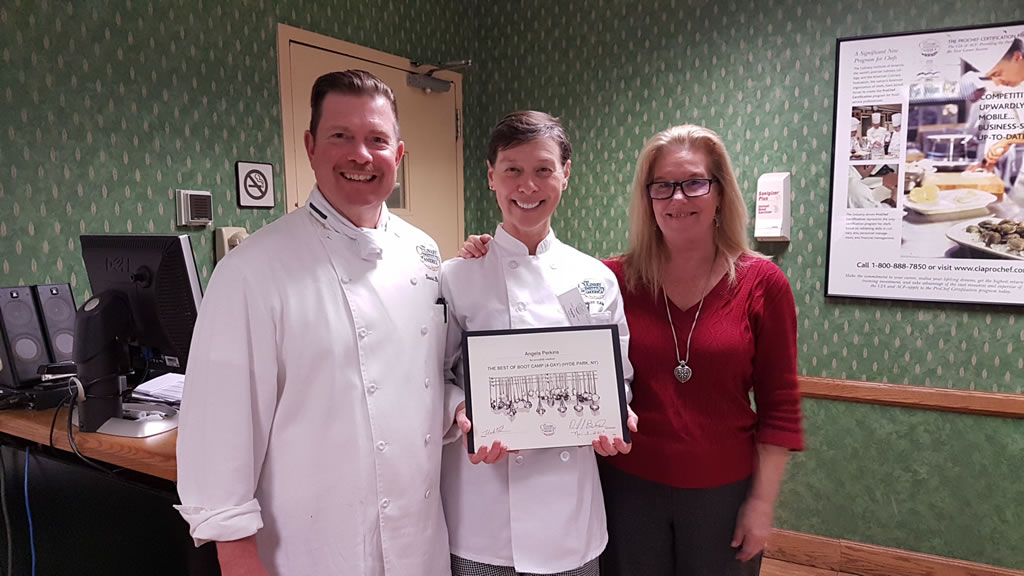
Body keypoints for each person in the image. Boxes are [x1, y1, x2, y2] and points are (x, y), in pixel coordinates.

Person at [460, 124, 804, 576]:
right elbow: (537, 286)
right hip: (628, 490)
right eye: (662, 186)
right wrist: (487, 251)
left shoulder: (762, 283)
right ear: (648, 197)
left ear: (721, 192)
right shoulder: (608, 280)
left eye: (694, 183)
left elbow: (781, 407)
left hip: (722, 493)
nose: (677, 198)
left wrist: (761, 505)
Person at [176, 70, 452, 576]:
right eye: (340, 136)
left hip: (420, 540)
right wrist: (236, 554)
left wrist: (461, 406)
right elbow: (218, 427)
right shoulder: (253, 269)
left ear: (398, 154)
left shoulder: (424, 252)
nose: (360, 155)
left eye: (377, 140)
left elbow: (427, 375)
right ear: (310, 146)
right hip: (312, 548)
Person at [440, 111, 637, 576]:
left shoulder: (595, 278)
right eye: (513, 169)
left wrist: (618, 415)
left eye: (543, 169)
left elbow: (619, 376)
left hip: (570, 517)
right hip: (484, 512)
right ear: (491, 176)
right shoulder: (456, 276)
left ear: (565, 174)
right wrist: (460, 410)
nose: (527, 186)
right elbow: (434, 376)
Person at [966, 37, 1024, 199]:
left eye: (997, 73)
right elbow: (1003, 127)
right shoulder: (1009, 87)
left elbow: (1008, 137)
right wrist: (987, 163)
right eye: (991, 77)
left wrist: (1008, 140)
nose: (997, 82)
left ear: (1017, 57)